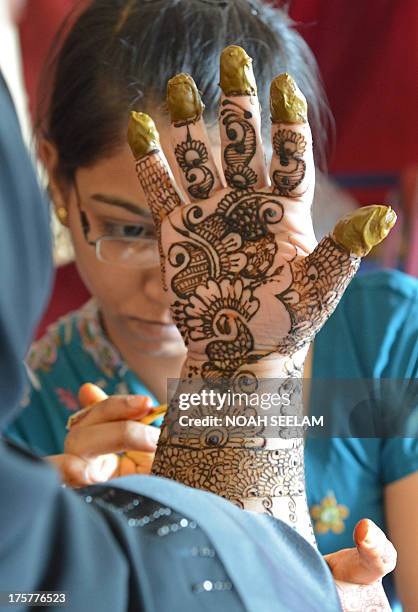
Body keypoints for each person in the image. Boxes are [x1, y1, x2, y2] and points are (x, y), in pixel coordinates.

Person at [4, 0, 416, 607]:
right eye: (133, 231)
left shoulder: (386, 341)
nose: (178, 288)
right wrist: (59, 545)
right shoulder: (33, 409)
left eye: (242, 241)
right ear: (58, 185)